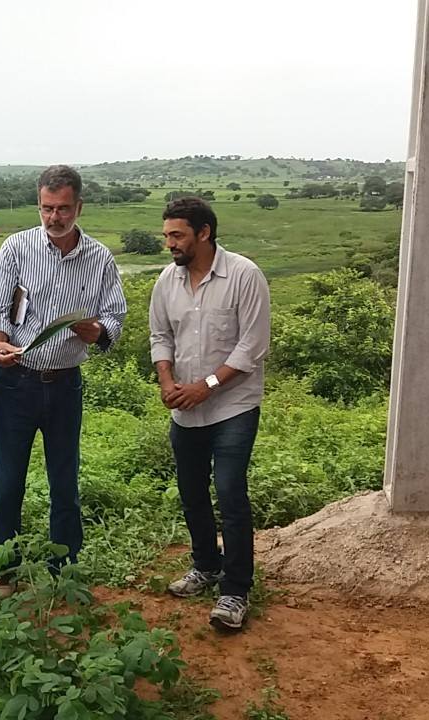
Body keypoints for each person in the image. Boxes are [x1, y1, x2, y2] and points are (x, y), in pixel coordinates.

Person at [0, 165, 127, 593]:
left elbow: (115, 316)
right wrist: (0, 343)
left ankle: (65, 568)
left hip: (65, 384)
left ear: (79, 206)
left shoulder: (100, 257)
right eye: (47, 208)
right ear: (39, 205)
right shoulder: (16, 248)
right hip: (17, 383)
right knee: (8, 481)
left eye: (64, 209)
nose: (54, 217)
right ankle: (4, 569)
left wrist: (98, 331)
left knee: (64, 481)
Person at [148, 196, 270, 631]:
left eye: (177, 235)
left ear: (204, 233)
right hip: (185, 408)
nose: (170, 244)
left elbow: (250, 349)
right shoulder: (167, 280)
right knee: (191, 490)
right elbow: (160, 335)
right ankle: (206, 565)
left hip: (232, 407)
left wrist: (207, 387)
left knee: (230, 491)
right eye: (167, 236)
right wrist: (167, 380)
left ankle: (235, 590)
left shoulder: (243, 276)